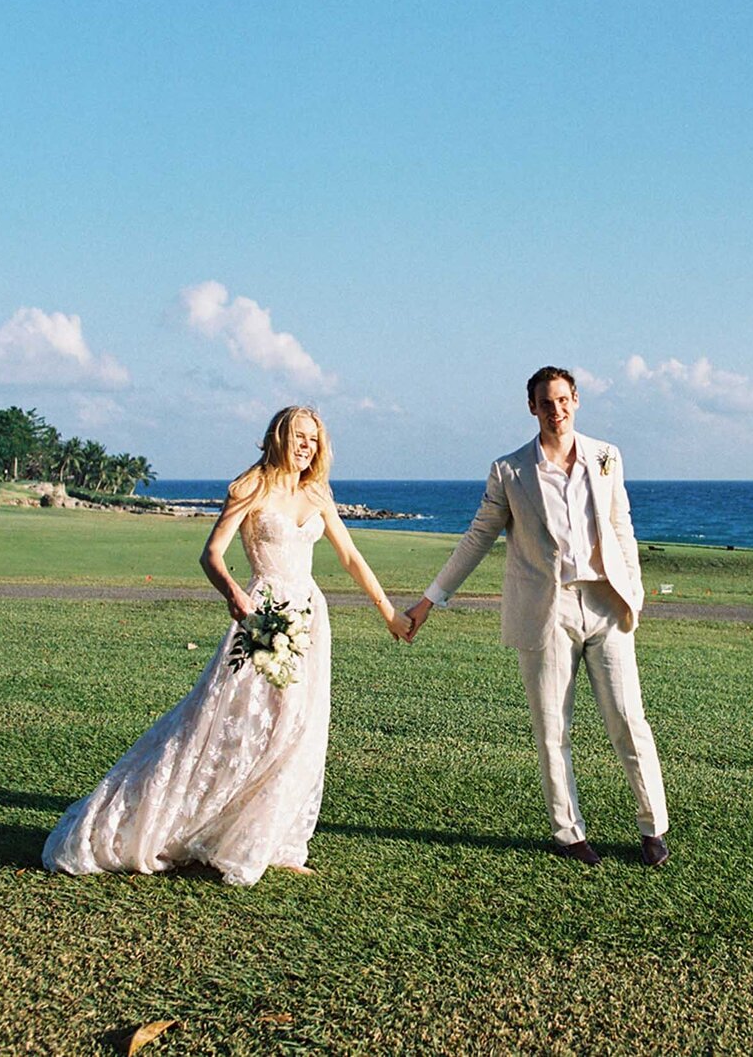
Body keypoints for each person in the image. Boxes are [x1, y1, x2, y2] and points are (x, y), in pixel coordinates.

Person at [42, 406, 413, 885]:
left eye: (314, 441)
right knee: (235, 723)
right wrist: (236, 595)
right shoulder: (251, 486)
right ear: (279, 436)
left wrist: (389, 613)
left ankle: (268, 837)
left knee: (297, 726)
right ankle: (179, 825)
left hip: (309, 618)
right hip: (262, 614)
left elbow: (349, 556)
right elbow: (211, 554)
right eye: (299, 437)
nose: (306, 447)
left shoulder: (317, 492)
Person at [406, 367, 670, 867]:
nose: (557, 410)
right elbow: (477, 538)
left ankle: (653, 827)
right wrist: (429, 600)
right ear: (532, 407)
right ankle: (568, 833)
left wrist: (633, 592)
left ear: (576, 400)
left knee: (628, 719)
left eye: (564, 400)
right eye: (546, 403)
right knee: (552, 728)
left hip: (607, 603)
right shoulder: (509, 471)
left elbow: (622, 526)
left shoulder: (606, 456)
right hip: (546, 610)